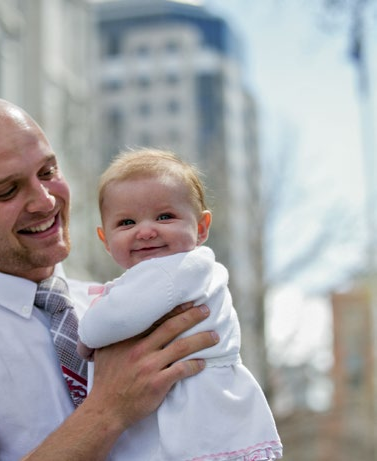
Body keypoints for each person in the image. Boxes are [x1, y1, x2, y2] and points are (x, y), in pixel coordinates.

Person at [0, 95, 219, 461]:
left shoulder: (121, 302)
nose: (46, 201)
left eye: (48, 172)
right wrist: (106, 411)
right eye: (7, 191)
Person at [77, 148, 283, 461]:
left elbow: (111, 321)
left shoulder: (180, 269)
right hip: (187, 402)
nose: (146, 231)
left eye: (165, 216)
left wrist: (86, 334)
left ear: (201, 228)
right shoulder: (167, 275)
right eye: (127, 222)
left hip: (196, 411)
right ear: (105, 240)